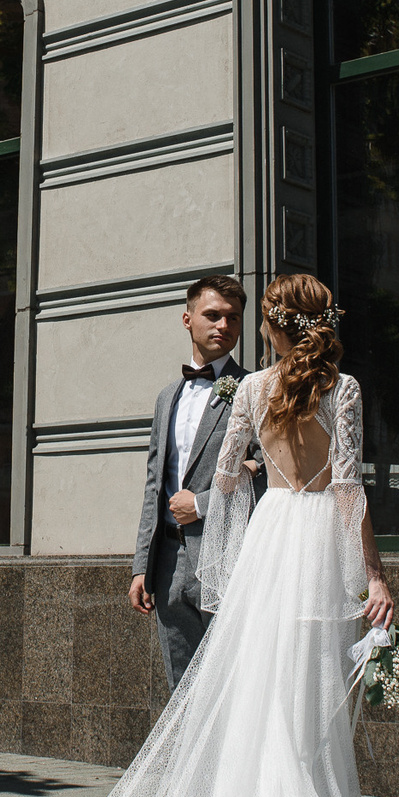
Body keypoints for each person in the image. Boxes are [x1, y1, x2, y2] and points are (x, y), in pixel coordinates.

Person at [0, 274, 399, 797]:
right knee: (308, 699)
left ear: (271, 326)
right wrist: (375, 575)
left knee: (258, 693)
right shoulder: (346, 389)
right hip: (314, 546)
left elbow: (227, 482)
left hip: (271, 541)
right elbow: (347, 487)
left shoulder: (250, 389)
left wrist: (243, 478)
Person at [128, 275, 258, 689]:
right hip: (167, 561)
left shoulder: (253, 389)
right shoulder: (168, 396)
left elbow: (270, 473)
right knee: (180, 689)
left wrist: (202, 504)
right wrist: (140, 567)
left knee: (228, 685)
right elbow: (155, 484)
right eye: (213, 315)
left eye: (233, 318)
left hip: (225, 555)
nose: (223, 326)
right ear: (187, 319)